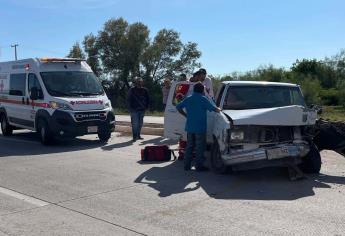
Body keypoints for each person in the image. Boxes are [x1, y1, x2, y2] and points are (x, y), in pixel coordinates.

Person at [176, 82, 221, 171]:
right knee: (200, 147)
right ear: (201, 90)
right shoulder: (203, 99)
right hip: (200, 128)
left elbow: (178, 107)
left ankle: (187, 165)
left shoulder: (189, 98)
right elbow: (214, 109)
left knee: (189, 146)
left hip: (190, 127)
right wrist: (219, 109)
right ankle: (199, 166)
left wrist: (185, 115)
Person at [127, 77, 150, 142]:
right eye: (138, 81)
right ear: (136, 82)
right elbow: (128, 99)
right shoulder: (132, 90)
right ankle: (134, 136)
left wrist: (147, 107)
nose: (139, 83)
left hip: (142, 109)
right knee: (135, 124)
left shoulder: (145, 90)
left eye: (140, 81)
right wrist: (130, 108)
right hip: (134, 110)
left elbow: (148, 99)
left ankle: (138, 135)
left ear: (142, 82)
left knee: (140, 123)